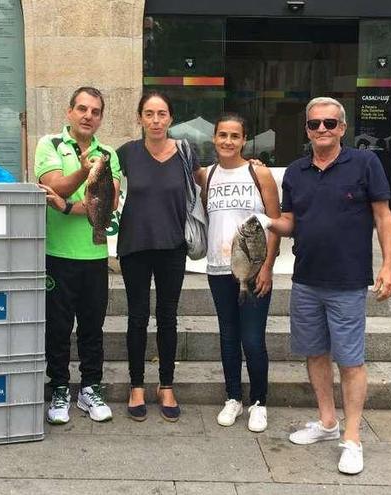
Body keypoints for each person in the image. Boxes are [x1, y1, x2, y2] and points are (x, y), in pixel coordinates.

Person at [258, 97, 391, 475]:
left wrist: (389, 265)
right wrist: (263, 221)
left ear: (343, 127)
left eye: (330, 124)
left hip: (348, 282)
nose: (322, 129)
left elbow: (383, 217)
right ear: (307, 129)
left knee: (350, 361)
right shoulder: (297, 173)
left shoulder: (366, 163)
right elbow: (289, 222)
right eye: (315, 124)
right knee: (315, 354)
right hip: (306, 280)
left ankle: (352, 438)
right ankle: (327, 422)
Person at [35, 87, 121, 425]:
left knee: (92, 326)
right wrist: (84, 173)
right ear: (69, 112)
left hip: (94, 256)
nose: (88, 115)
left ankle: (90, 388)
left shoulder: (109, 153)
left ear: (101, 117)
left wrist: (68, 207)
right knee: (57, 326)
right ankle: (58, 387)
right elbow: (55, 186)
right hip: (57, 254)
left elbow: (106, 204)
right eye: (82, 109)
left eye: (95, 111)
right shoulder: (50, 144)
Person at [115, 91, 193, 422]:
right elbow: (102, 183)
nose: (155, 120)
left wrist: (249, 167)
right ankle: (136, 385)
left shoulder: (186, 154)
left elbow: (206, 181)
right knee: (136, 317)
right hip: (134, 245)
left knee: (168, 317)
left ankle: (166, 384)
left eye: (162, 114)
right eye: (149, 114)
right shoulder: (126, 153)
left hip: (172, 246)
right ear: (139, 118)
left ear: (170, 119)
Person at [206, 113, 280, 432]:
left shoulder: (258, 174)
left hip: (253, 269)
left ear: (244, 139)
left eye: (234, 136)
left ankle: (259, 402)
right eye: (222, 135)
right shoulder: (205, 175)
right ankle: (233, 397)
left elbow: (275, 224)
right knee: (227, 336)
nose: (228, 141)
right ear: (214, 138)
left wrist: (268, 267)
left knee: (252, 339)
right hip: (218, 268)